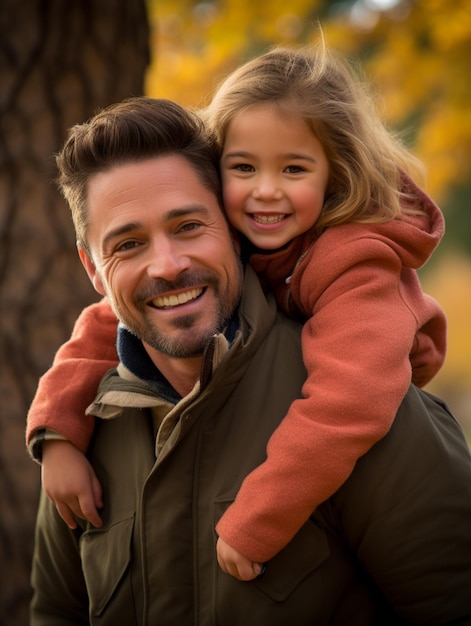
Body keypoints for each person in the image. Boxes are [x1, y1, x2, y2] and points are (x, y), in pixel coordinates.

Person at [29, 96, 471, 625]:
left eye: (189, 226)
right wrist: (52, 432)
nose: (168, 266)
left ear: (234, 228)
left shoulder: (363, 395)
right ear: (94, 270)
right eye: (128, 244)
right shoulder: (83, 432)